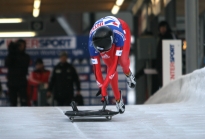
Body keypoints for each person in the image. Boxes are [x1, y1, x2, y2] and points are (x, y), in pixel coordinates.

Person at [88, 16, 136, 114]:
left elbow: (115, 65)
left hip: (122, 28)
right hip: (107, 35)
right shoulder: (91, 44)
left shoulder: (119, 36)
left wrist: (105, 86)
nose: (106, 53)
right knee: (109, 65)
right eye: (102, 52)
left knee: (122, 61)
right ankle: (118, 99)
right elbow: (97, 70)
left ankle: (128, 73)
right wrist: (102, 88)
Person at [5, 40, 30, 106]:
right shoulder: (11, 55)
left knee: (24, 101)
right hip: (12, 82)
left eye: (22, 45)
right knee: (13, 102)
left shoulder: (26, 56)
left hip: (22, 82)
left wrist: (16, 53)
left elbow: (23, 64)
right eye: (19, 45)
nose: (20, 47)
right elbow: (7, 64)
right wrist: (11, 52)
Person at [156, 21, 177, 87]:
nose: (162, 29)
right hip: (163, 64)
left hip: (167, 64)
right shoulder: (161, 37)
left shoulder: (169, 36)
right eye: (161, 28)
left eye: (163, 27)